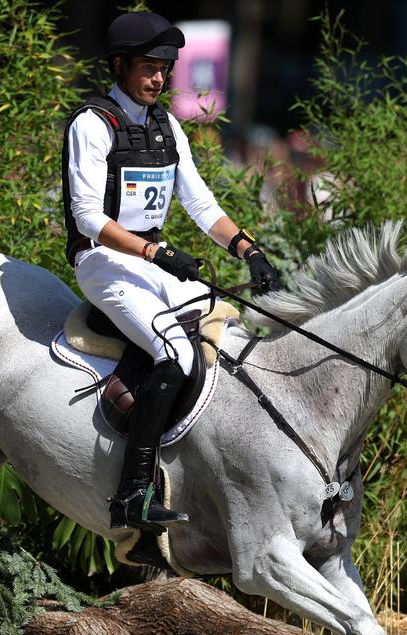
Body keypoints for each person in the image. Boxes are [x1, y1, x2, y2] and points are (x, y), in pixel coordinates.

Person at [62, 11, 282, 533]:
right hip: (103, 263)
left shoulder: (166, 124)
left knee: (224, 331)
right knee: (178, 353)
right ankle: (132, 494)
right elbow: (89, 217)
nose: (159, 78)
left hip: (151, 259)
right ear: (119, 65)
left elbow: (201, 204)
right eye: (147, 66)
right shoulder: (93, 123)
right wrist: (155, 253)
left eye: (165, 67)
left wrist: (247, 249)